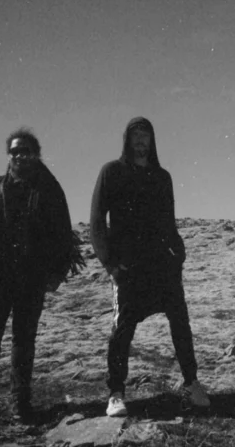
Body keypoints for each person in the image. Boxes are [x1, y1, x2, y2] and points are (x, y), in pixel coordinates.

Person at [0, 128, 83, 428]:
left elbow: (63, 234)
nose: (20, 156)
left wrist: (57, 273)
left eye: (26, 151)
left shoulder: (49, 190)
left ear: (36, 154)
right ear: (8, 155)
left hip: (31, 277)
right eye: (15, 151)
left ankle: (21, 407)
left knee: (23, 341)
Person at [90, 116, 210, 417]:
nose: (141, 140)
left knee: (180, 322)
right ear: (127, 139)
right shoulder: (111, 172)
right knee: (122, 329)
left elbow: (169, 220)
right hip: (128, 267)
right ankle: (116, 393)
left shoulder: (162, 177)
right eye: (136, 134)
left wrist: (177, 254)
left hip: (162, 266)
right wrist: (110, 264)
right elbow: (97, 221)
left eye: (146, 134)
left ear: (152, 140)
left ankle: (191, 383)